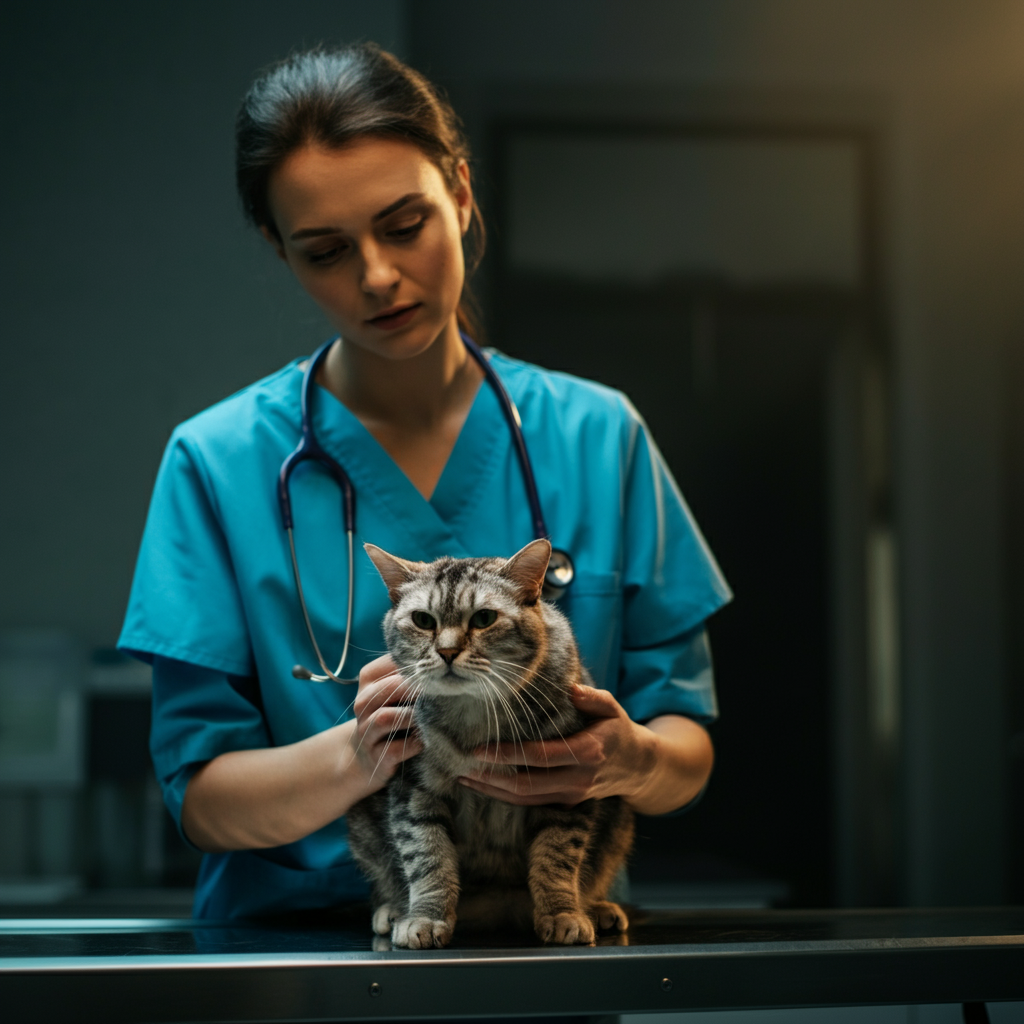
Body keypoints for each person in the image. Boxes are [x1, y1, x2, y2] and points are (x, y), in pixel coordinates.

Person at [118, 43, 731, 921]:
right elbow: (204, 801)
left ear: (462, 193)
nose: (375, 276)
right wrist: (371, 749)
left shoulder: (600, 437)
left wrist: (623, 757)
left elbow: (687, 747)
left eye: (404, 225)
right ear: (279, 250)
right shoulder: (217, 462)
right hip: (296, 968)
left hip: (539, 950)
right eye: (325, 250)